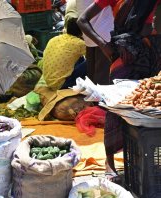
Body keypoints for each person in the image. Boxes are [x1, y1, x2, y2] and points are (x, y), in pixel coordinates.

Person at [78, 0, 161, 182]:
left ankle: (145, 162)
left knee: (149, 109)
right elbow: (82, 20)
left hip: (153, 54)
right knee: (116, 109)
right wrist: (104, 46)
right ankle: (110, 165)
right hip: (126, 54)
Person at [42, 18, 87, 90]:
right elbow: (93, 55)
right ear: (82, 31)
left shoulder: (55, 38)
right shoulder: (79, 43)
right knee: (91, 61)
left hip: (48, 81)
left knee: (79, 58)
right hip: (61, 84)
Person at [76, 0, 114, 85]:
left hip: (89, 35)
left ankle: (95, 97)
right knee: (103, 81)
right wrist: (103, 45)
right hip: (104, 37)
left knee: (92, 79)